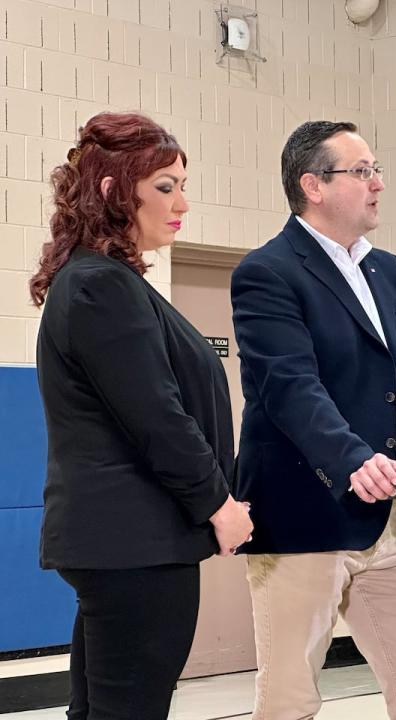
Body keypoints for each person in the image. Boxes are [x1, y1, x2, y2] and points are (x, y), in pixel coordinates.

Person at [231, 120, 396, 720]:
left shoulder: (387, 269)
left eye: (376, 171)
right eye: (362, 171)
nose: (377, 184)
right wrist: (350, 459)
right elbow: (289, 386)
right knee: (290, 699)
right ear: (313, 185)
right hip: (303, 517)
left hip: (391, 520)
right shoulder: (267, 272)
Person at [29, 111, 253, 719]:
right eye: (164, 186)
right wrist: (218, 505)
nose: (182, 202)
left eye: (183, 186)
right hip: (135, 546)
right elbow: (157, 418)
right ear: (110, 189)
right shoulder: (100, 285)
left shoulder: (104, 281)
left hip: (126, 546)